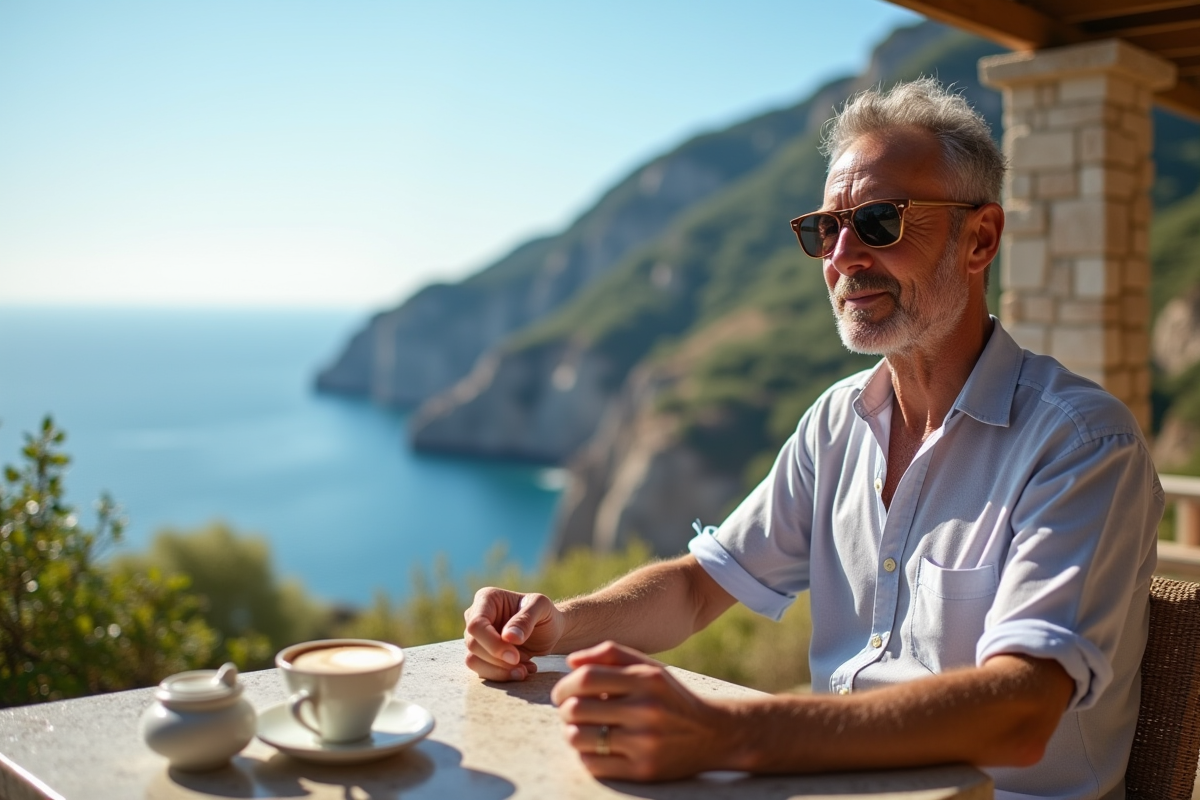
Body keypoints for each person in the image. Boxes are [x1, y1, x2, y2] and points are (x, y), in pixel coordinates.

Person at [462, 78, 1163, 799]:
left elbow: (1021, 711)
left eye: (880, 221)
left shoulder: (1080, 445)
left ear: (980, 239)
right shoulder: (835, 423)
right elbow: (699, 588)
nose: (843, 257)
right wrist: (557, 624)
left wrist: (724, 734)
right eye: (827, 229)